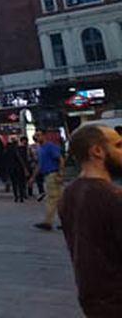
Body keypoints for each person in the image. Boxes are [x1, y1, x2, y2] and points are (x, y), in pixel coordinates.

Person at [58, 123, 122, 317]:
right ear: (97, 151)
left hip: (92, 298)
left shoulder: (69, 193)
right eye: (118, 145)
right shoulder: (113, 197)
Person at [34, 131, 65, 231]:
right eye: (36, 135)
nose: (37, 137)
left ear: (44, 136)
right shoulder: (40, 148)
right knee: (59, 199)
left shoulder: (49, 146)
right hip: (47, 175)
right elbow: (40, 164)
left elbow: (60, 159)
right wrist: (32, 177)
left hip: (53, 174)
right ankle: (66, 221)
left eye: (39, 135)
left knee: (52, 199)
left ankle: (47, 222)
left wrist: (60, 173)